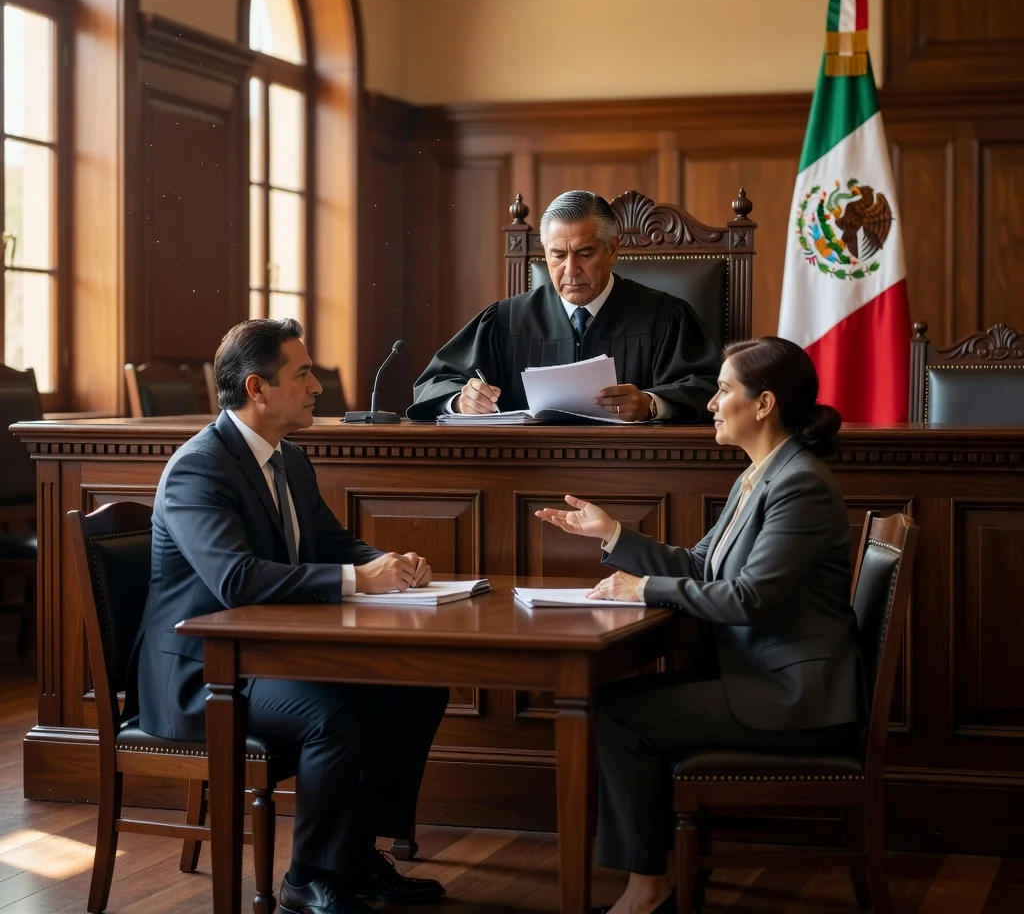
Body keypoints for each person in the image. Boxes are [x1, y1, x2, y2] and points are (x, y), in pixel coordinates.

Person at [535, 337, 862, 914]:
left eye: (723, 390)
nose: (711, 403)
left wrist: (643, 589)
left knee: (616, 715)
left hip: (794, 697)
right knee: (614, 706)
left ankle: (647, 891)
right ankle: (651, 884)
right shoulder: (757, 476)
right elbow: (700, 566)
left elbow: (749, 597)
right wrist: (611, 535)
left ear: (763, 404)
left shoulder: (799, 483)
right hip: (756, 677)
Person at [134, 318, 449, 914]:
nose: (316, 388)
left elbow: (331, 542)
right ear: (257, 388)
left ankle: (353, 854)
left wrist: (386, 561)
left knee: (417, 684)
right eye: (302, 374)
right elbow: (236, 580)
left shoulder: (291, 460)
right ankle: (307, 876)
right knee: (335, 712)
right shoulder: (199, 467)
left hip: (265, 658)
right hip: (201, 677)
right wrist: (361, 580)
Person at [407, 190, 719, 422]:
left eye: (584, 253)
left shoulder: (664, 317)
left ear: (612, 249)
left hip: (634, 473)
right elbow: (434, 384)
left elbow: (710, 388)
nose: (570, 269)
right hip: (526, 472)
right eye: (558, 255)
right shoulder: (505, 321)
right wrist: (462, 401)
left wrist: (652, 404)